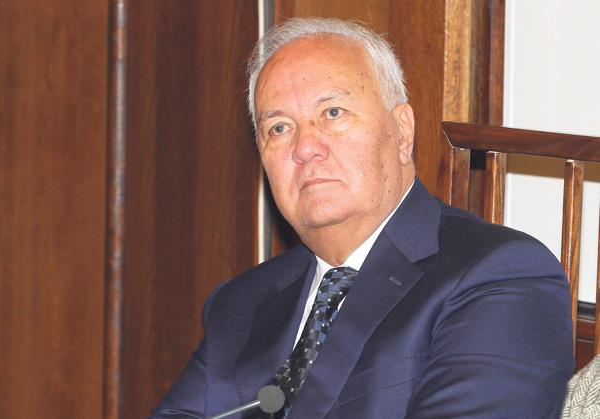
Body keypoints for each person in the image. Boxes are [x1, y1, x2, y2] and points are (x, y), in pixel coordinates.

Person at [150, 18, 573, 418]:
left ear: (402, 132)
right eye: (279, 128)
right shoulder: (242, 302)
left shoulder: (499, 274)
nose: (305, 148)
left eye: (333, 113)